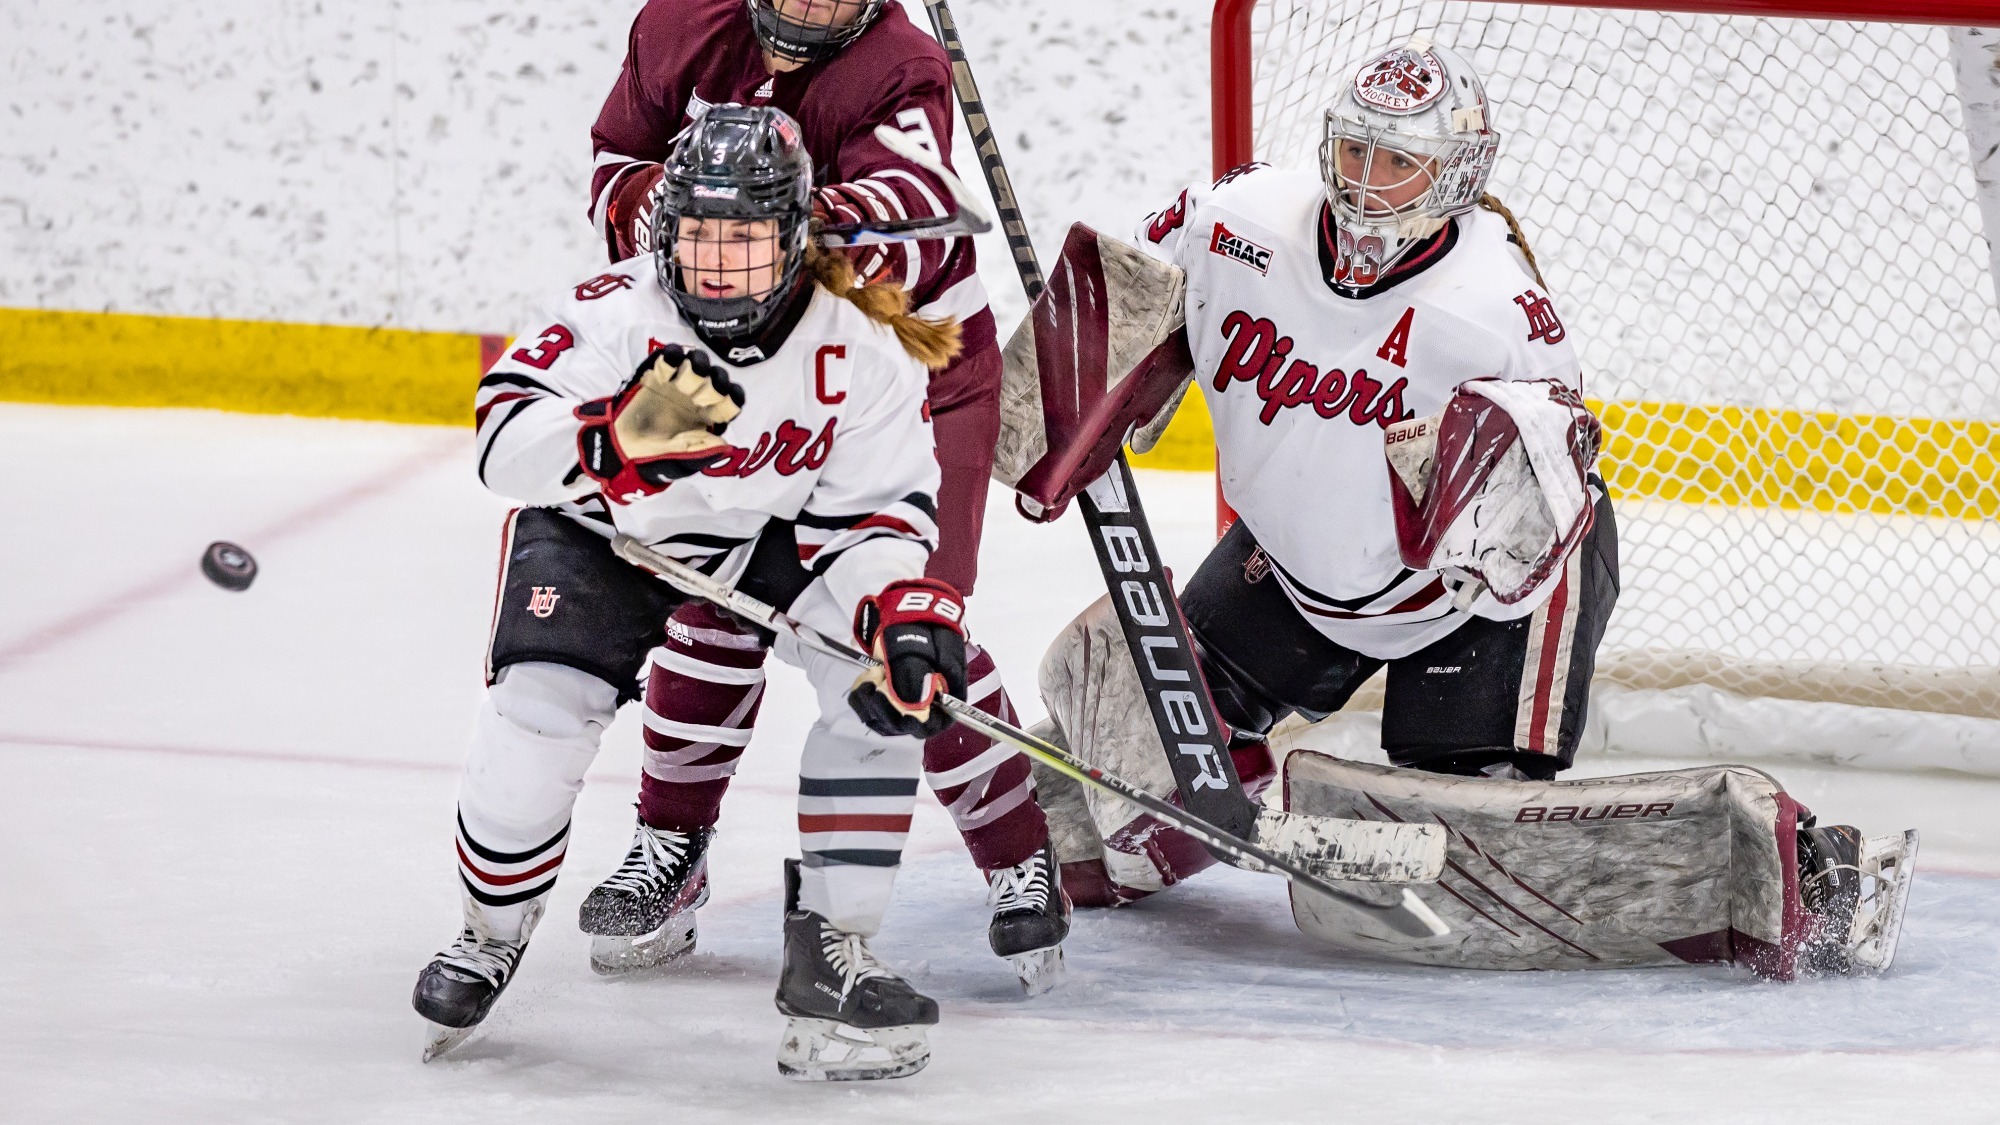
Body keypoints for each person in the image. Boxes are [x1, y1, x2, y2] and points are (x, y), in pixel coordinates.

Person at [1030, 42, 1900, 976]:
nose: (1368, 184)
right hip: (1295, 568)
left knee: (1459, 849)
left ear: (1457, 175)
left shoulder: (1502, 313)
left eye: (1400, 162)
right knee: (1116, 769)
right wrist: (1075, 373)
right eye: (1356, 151)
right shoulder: (1237, 219)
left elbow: (1526, 539)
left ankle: (1793, 875)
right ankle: (1200, 775)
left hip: (1480, 595)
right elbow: (1121, 292)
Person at [414, 105, 963, 1080]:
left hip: (768, 537)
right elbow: (501, 441)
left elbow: (877, 518)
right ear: (664, 229)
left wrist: (894, 612)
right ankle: (487, 934)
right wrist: (605, 439)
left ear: (794, 239)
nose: (717, 264)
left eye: (744, 239)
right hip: (604, 531)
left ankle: (829, 953)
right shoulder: (615, 314)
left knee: (883, 695)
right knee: (538, 710)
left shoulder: (861, 355)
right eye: (700, 236)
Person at [581, 0, 1064, 985]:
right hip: (738, 360)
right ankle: (671, 852)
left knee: (907, 629)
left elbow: (909, 244)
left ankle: (1018, 855)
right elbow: (611, 163)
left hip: (909, 370)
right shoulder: (679, 22)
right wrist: (668, 215)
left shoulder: (902, 68)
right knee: (710, 602)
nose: (809, 8)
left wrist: (768, 226)